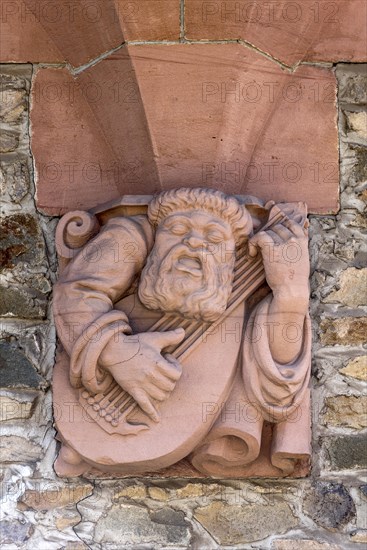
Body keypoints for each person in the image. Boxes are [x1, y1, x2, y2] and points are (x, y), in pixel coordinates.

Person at [54, 188, 311, 476]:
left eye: (214, 237)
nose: (193, 241)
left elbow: (279, 382)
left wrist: (292, 297)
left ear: (232, 256)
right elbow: (76, 292)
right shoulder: (133, 235)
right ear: (156, 232)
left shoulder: (242, 303)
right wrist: (117, 352)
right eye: (177, 229)